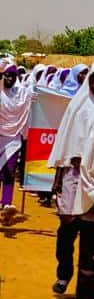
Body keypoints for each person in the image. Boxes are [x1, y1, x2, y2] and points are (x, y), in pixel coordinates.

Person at [49, 61, 94, 299]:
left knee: (90, 236)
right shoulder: (77, 104)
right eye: (93, 78)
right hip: (71, 174)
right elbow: (64, 138)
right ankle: (63, 273)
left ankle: (86, 296)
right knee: (66, 230)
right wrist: (58, 176)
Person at [0, 64, 34, 224]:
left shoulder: (21, 95)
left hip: (13, 139)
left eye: (12, 77)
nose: (9, 79)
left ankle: (6, 204)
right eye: (6, 76)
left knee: (9, 172)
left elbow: (35, 98)